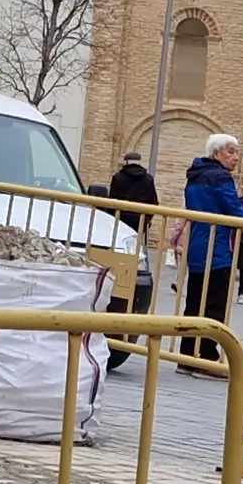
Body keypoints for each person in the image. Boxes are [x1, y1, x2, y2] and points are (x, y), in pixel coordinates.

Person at [180, 136, 243, 370]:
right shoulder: (221, 177)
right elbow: (232, 208)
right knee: (214, 304)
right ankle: (207, 357)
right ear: (217, 153)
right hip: (217, 246)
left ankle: (186, 355)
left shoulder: (194, 175)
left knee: (194, 301)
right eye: (231, 152)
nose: (236, 157)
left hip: (198, 244)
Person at [105, 151, 159, 374]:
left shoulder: (118, 178)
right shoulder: (148, 180)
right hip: (138, 226)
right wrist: (146, 221)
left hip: (120, 224)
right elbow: (154, 203)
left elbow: (110, 201)